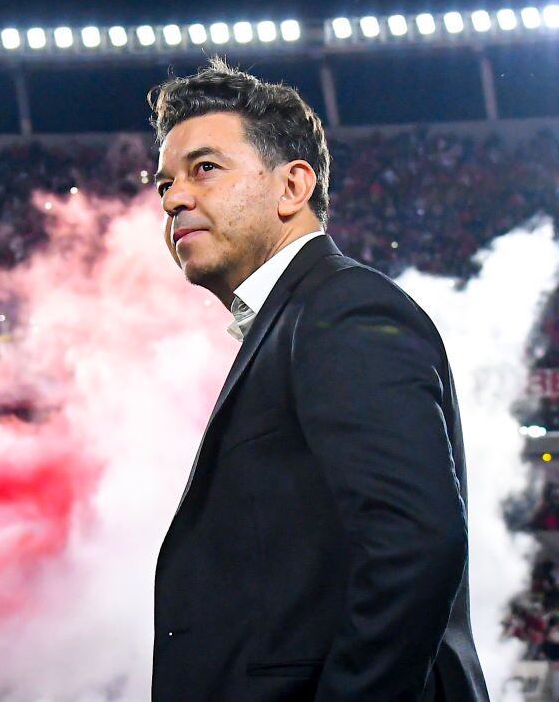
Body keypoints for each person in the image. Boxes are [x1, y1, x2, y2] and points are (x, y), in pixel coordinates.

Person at [148, 57, 489, 702]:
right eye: (164, 183)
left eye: (205, 169)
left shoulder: (342, 310)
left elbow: (415, 541)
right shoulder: (301, 317)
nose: (174, 197)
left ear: (292, 188)